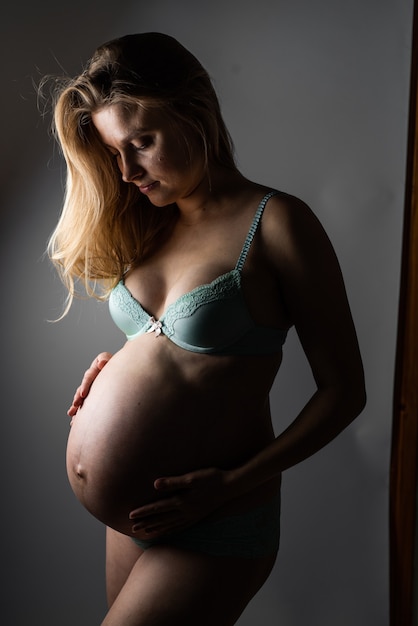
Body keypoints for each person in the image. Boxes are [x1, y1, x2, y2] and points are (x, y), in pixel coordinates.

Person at [47, 32, 366, 626]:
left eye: (142, 142)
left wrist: (232, 483)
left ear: (196, 112)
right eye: (117, 152)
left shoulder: (277, 224)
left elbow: (345, 391)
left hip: (213, 518)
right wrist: (118, 364)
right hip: (136, 520)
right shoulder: (151, 222)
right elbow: (175, 350)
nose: (128, 170)